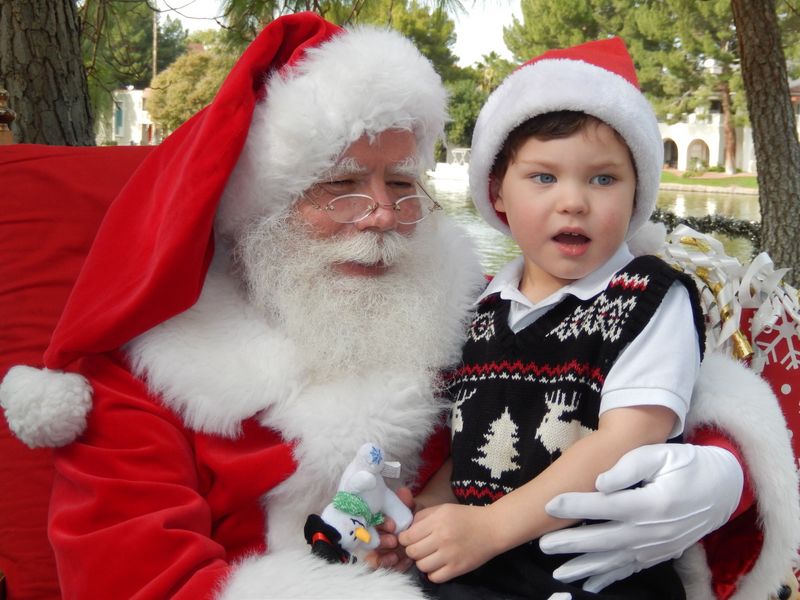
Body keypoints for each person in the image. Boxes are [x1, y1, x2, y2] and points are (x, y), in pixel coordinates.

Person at [0, 12, 796, 600]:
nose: (381, 215)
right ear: (261, 209)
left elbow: (620, 384)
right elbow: (132, 577)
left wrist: (725, 471)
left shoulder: (456, 310)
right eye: (341, 187)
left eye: (401, 185)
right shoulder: (153, 367)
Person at [398, 37, 703, 599]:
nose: (574, 201)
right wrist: (433, 511)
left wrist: (490, 527)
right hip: (481, 569)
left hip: (595, 572)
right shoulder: (484, 307)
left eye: (603, 179)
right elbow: (472, 437)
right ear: (498, 194)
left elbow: (629, 437)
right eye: (544, 177)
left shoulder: (647, 297)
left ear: (638, 194)